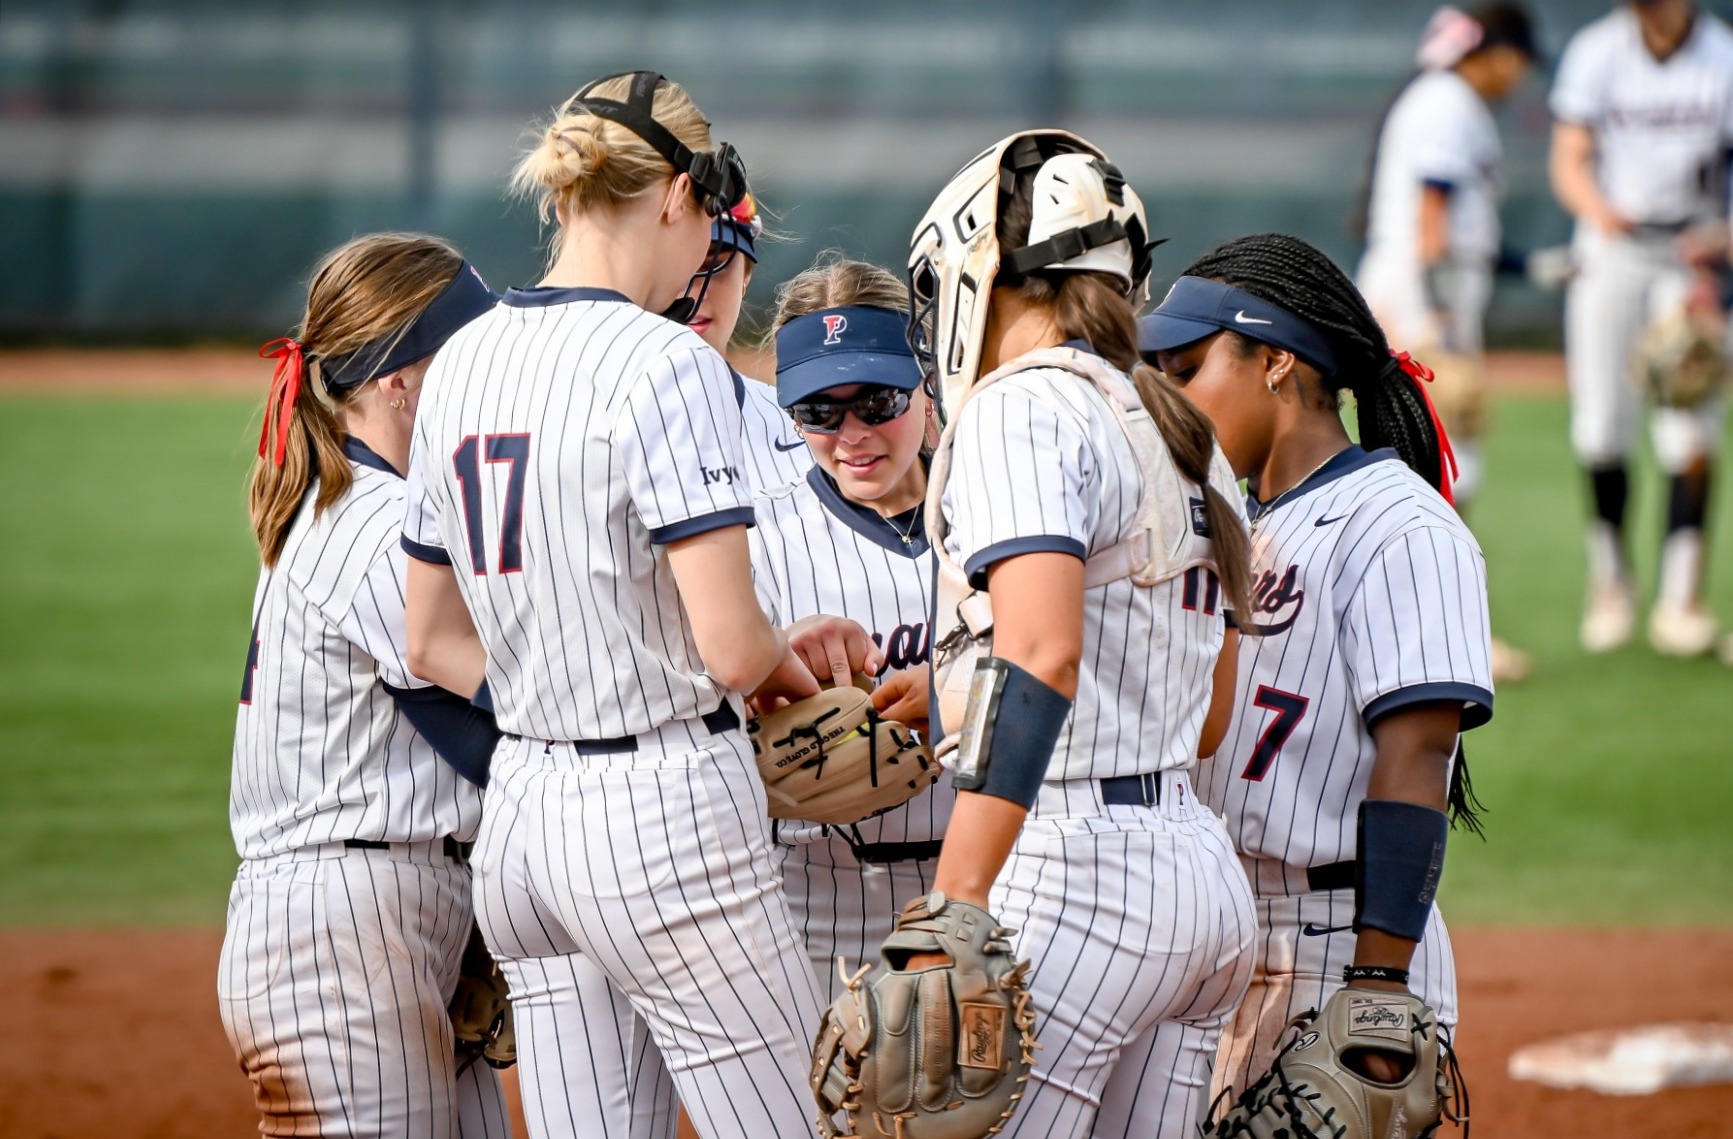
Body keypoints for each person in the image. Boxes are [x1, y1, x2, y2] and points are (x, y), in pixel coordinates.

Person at [400, 72, 826, 1139]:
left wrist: (564, 691)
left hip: (524, 821)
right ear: (678, 194)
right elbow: (732, 649)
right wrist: (797, 675)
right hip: (663, 815)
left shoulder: (460, 356)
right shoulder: (663, 360)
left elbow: (428, 635)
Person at [906, 130, 1257, 1138]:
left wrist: (955, 901)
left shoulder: (1022, 407)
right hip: (1197, 874)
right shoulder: (1177, 424)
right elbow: (1205, 720)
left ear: (980, 270)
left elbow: (1042, 652)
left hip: (1075, 874)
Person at [1139, 232, 1495, 1099]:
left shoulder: (1398, 524)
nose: (1165, 397)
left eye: (1185, 368)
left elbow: (1417, 753)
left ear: (1273, 362)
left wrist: (1376, 986)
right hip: (1220, 930)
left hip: (1338, 940)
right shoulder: (1234, 516)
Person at [219, 232, 510, 1138]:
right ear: (400, 378)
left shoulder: (353, 501)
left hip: (375, 915)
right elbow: (507, 695)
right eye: (468, 353)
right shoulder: (370, 520)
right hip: (340, 930)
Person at [746, 256, 951, 999]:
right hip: (816, 898)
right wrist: (764, 663)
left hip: (987, 883)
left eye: (877, 400)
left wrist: (963, 691)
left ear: (926, 385)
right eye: (818, 412)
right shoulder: (753, 536)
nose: (851, 433)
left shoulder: (1002, 513)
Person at [1357, 1, 1539, 682]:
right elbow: (1430, 220)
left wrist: (1533, 266)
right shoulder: (1448, 103)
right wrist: (1438, 324)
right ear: (1489, 51)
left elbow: (1458, 228)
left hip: (1418, 287)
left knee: (1423, 464)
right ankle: (1445, 634)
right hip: (1422, 297)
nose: (1517, 74)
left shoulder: (1438, 98)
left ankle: (1418, 625)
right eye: (1516, 57)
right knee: (1441, 466)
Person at [1550, 0, 1733, 656]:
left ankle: (1680, 598)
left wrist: (1720, 245)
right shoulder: (1598, 50)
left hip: (1692, 253)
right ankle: (1611, 581)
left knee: (1690, 425)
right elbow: (1568, 158)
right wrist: (1602, 213)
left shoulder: (1721, 55)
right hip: (1610, 249)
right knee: (1601, 426)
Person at [681, 190, 813, 492]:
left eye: (713, 261)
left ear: (746, 275)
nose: (690, 291)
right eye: (666, 263)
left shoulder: (807, 434)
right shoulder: (578, 421)